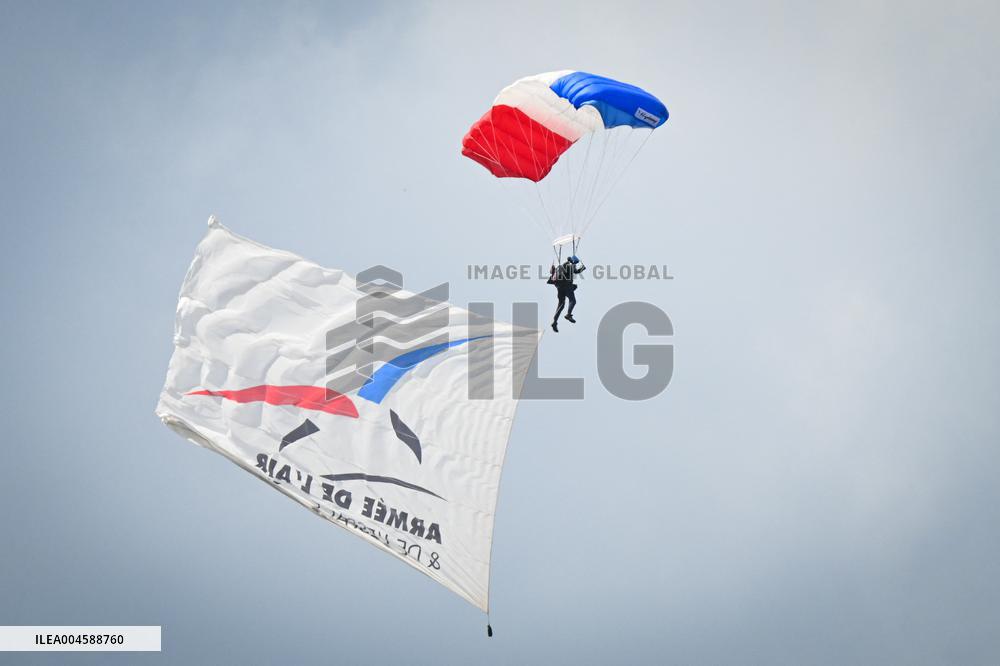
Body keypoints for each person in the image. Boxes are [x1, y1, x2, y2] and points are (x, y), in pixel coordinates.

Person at [547, 255, 586, 332]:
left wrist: (582, 268)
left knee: (561, 305)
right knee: (572, 301)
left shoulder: (562, 266)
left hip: (559, 287)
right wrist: (582, 268)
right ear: (573, 262)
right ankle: (568, 315)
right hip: (566, 286)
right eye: (575, 263)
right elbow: (576, 271)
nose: (575, 265)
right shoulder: (570, 266)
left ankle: (554, 322)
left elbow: (576, 271)